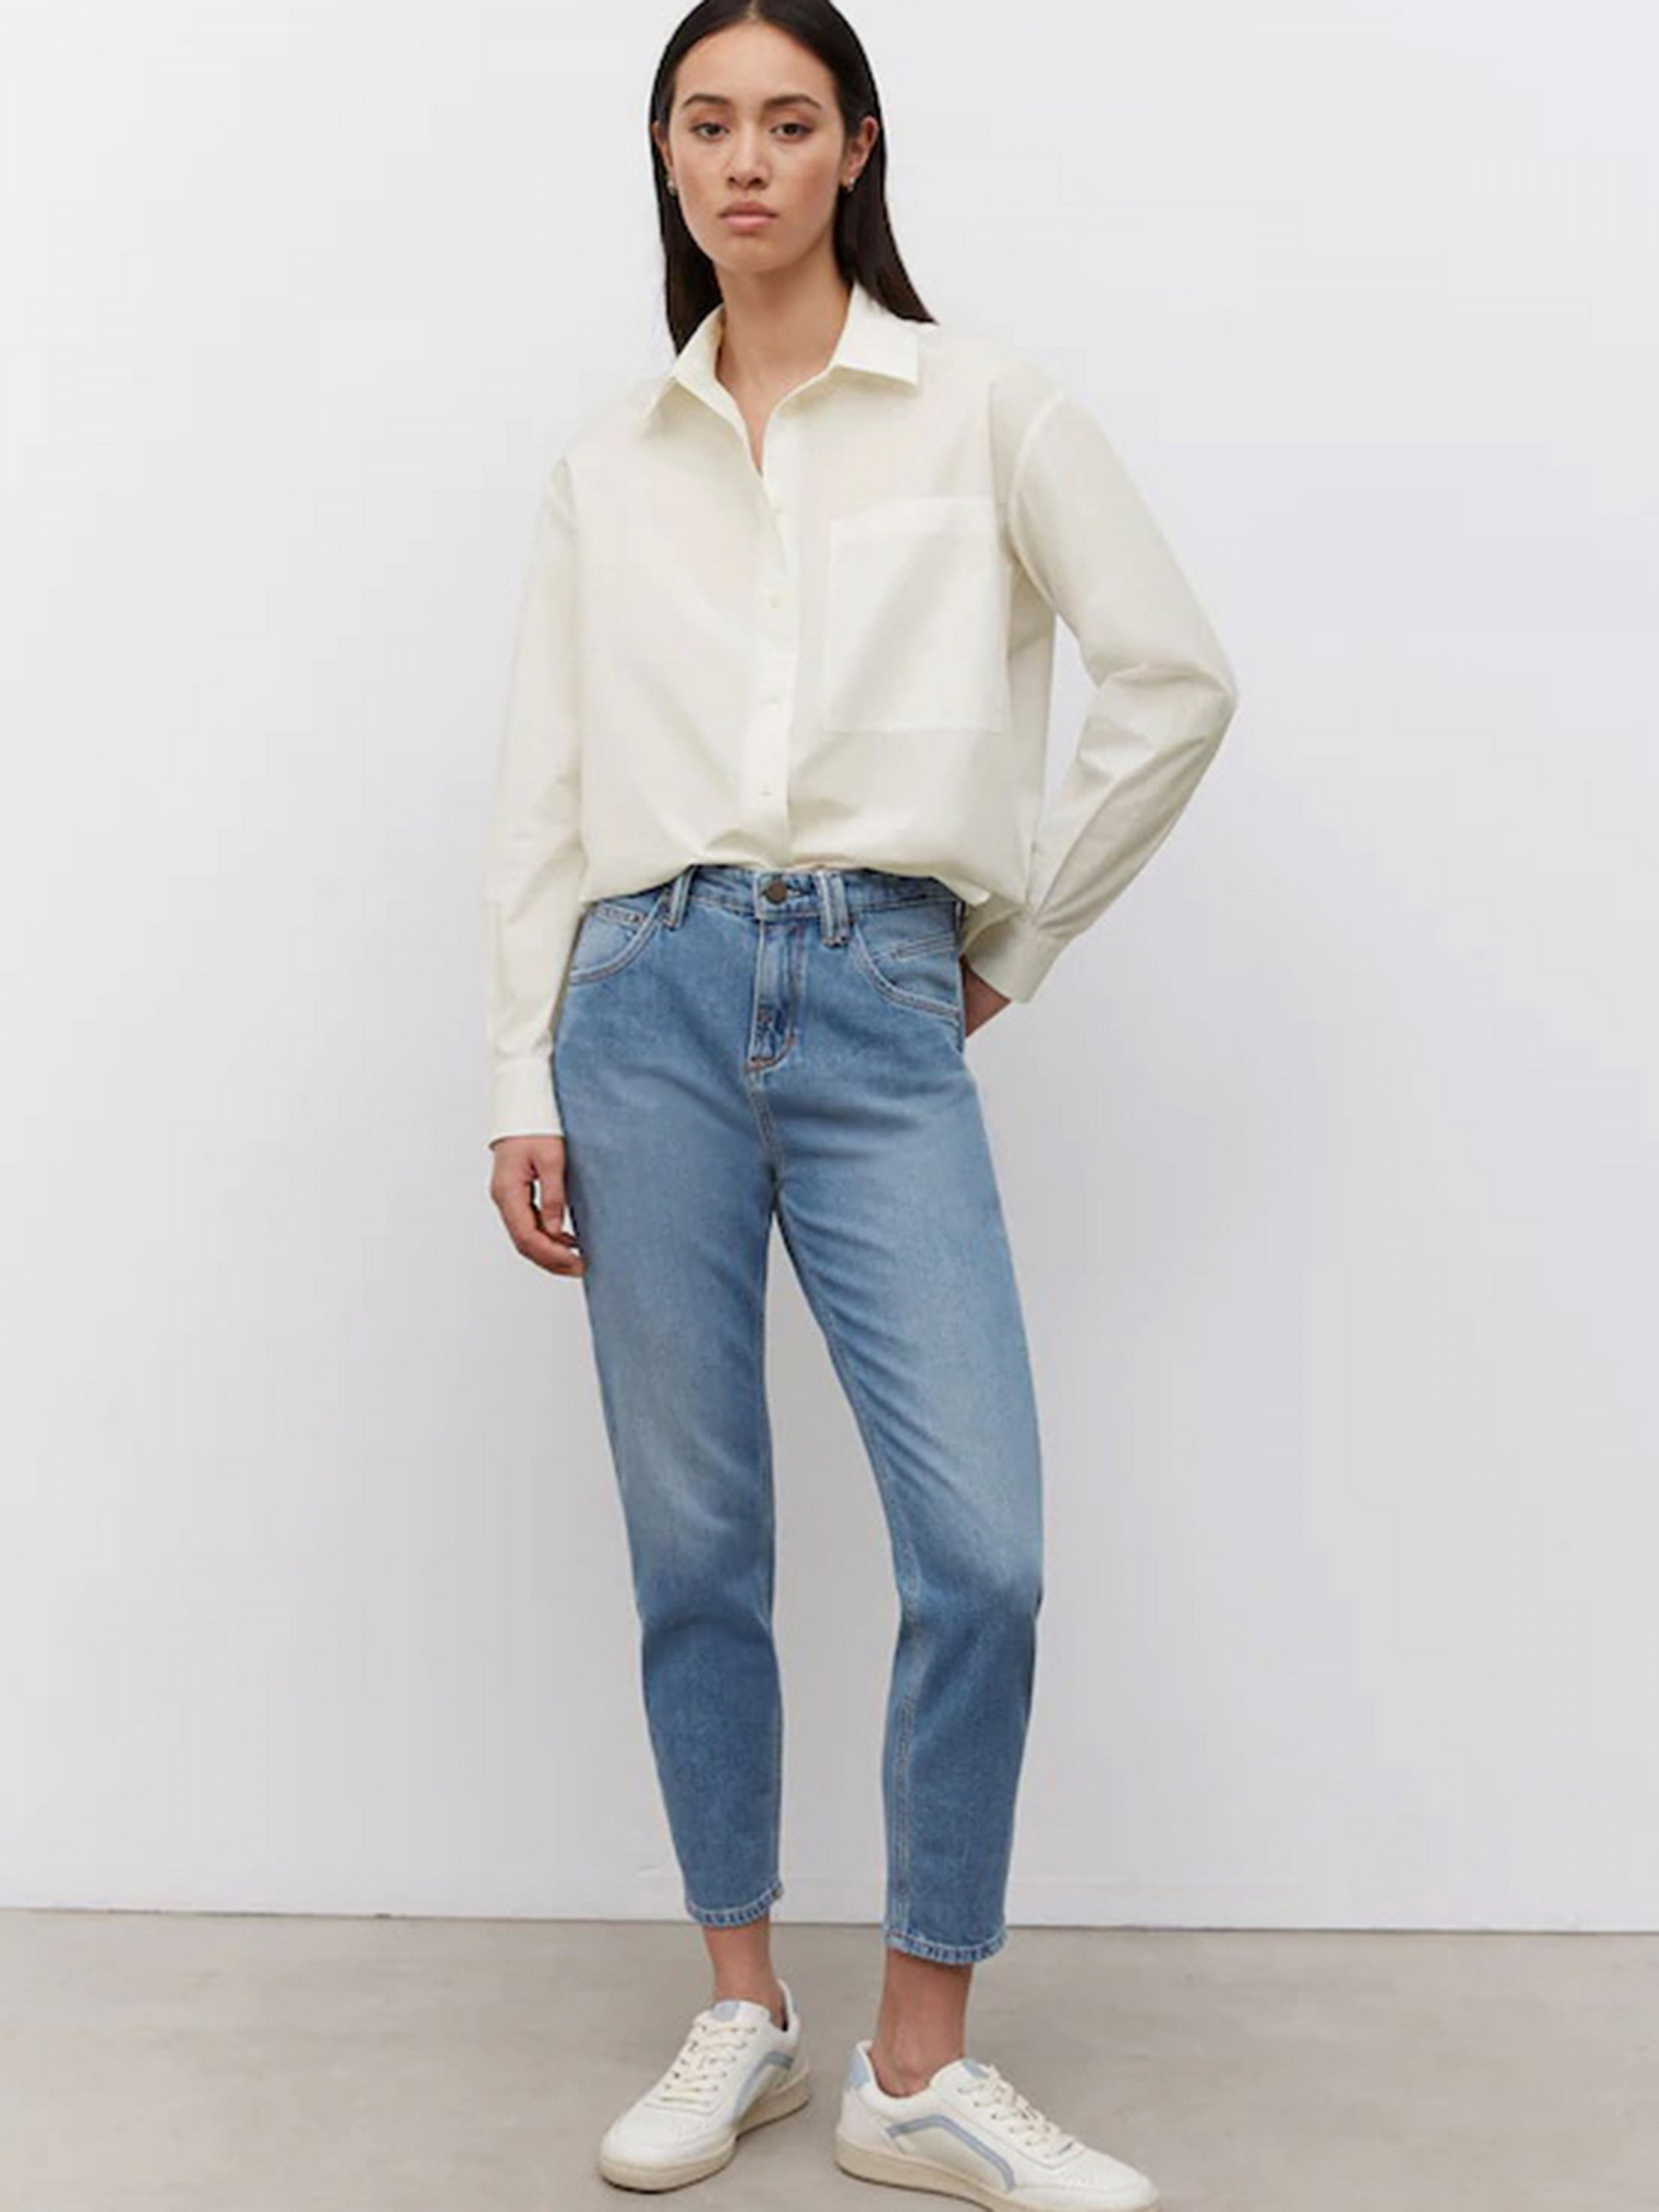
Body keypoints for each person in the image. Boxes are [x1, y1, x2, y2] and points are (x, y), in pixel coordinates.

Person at [482, 4, 1236, 2202]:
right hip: (637, 1001)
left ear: (855, 150)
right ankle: (745, 2006)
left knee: (981, 1551)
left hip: (882, 990)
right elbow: (541, 790)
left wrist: (1012, 941)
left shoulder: (983, 407)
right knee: (694, 1540)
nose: (745, 159)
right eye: (706, 122)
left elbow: (1175, 679)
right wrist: (520, 1068)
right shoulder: (608, 463)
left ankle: (920, 2059)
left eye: (786, 122)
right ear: (666, 154)